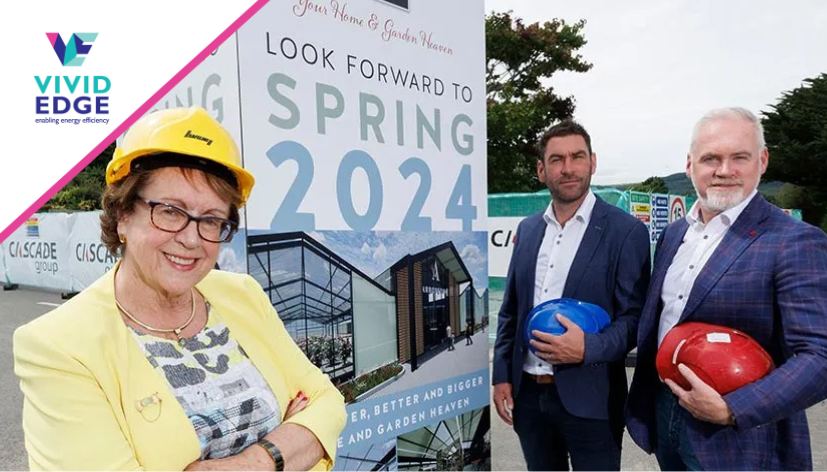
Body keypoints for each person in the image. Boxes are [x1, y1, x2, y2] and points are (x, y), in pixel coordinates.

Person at [13, 107, 346, 471]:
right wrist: (290, 439)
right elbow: (312, 426)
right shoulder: (59, 346)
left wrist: (251, 462)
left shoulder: (242, 294)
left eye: (211, 219)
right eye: (170, 211)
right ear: (124, 214)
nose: (191, 238)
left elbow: (327, 402)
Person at [625, 107, 827, 471]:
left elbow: (820, 356)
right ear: (690, 166)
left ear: (762, 161)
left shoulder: (795, 241)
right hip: (666, 411)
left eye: (739, 157)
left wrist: (734, 409)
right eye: (710, 158)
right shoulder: (673, 235)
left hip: (741, 436)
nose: (724, 170)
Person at [492, 119, 651, 471]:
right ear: (541, 169)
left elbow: (635, 319)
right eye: (556, 159)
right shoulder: (528, 229)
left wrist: (587, 348)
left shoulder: (625, 232)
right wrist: (502, 375)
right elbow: (511, 310)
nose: (568, 168)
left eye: (577, 157)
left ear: (592, 162)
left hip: (592, 400)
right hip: (529, 397)